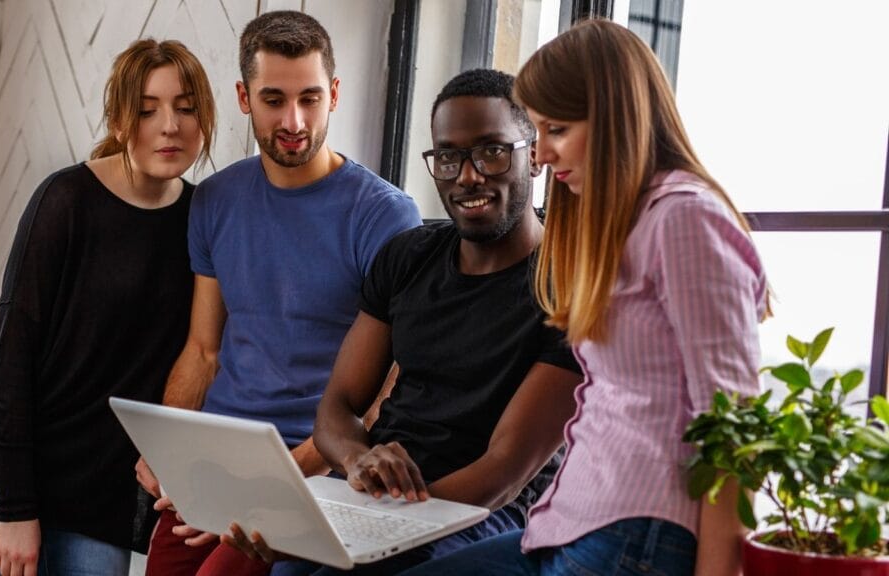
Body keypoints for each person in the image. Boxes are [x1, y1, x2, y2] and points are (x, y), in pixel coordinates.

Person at [396, 19, 770, 576]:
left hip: (637, 533)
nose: (541, 154)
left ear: (617, 119)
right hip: (568, 523)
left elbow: (734, 426)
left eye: (558, 129)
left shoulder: (686, 219)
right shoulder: (626, 224)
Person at [223, 68, 585, 576]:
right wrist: (356, 461)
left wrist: (364, 526)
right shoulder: (409, 257)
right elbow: (339, 406)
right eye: (449, 157)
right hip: (379, 495)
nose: (468, 176)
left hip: (486, 514)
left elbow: (503, 474)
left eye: (492, 152)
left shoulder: (568, 289)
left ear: (535, 158)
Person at [138, 11, 422, 576]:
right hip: (216, 463)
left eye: (310, 99)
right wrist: (169, 453)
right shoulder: (215, 200)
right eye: (273, 99)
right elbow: (203, 351)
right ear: (245, 98)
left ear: (335, 94)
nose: (293, 120)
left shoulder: (385, 216)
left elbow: (385, 390)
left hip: (312, 474)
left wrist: (262, 490)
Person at [0, 38, 216, 576]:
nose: (170, 125)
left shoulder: (203, 219)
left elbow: (203, 352)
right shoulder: (66, 200)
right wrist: (16, 510)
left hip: (99, 492)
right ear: (118, 119)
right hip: (2, 473)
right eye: (147, 108)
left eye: (186, 107)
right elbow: (6, 363)